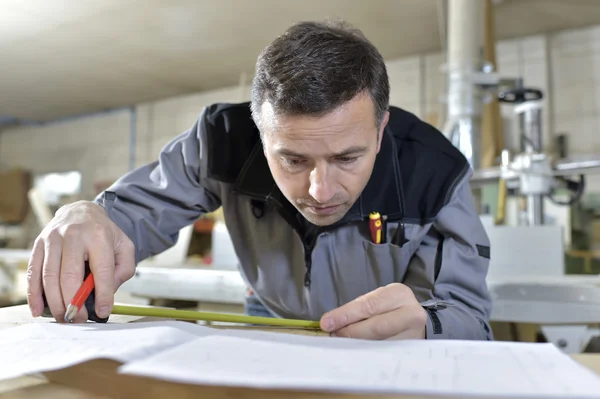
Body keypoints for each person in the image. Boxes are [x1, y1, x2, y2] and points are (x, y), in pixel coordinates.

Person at [26, 20, 493, 340]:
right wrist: (90, 215)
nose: (320, 192)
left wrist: (429, 327)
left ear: (381, 130)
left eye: (347, 157)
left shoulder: (436, 170)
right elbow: (124, 219)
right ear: (260, 132)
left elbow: (469, 317)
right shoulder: (220, 141)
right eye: (292, 159)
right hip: (269, 320)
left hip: (385, 344)